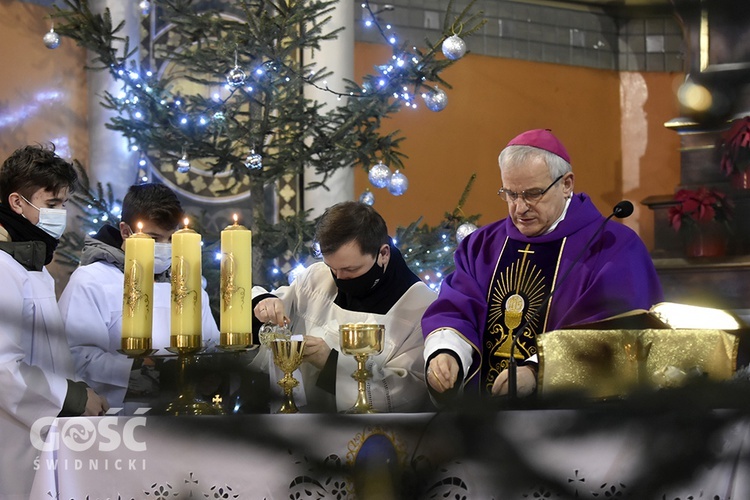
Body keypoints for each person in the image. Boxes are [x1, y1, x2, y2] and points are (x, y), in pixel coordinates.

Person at [422, 129, 664, 399]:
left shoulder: (612, 247)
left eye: (533, 194)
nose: (519, 208)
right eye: (510, 194)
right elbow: (456, 308)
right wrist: (447, 353)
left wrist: (540, 371)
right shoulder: (481, 246)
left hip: (571, 421)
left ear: (567, 184)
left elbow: (614, 333)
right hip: (485, 424)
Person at [0, 144, 109, 498]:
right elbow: (3, 367)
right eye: (52, 205)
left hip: (45, 433)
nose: (61, 214)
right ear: (17, 203)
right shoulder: (3, 267)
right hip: (13, 438)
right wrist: (72, 397)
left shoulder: (31, 266)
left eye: (63, 204)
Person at [252, 201, 436, 412]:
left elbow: (407, 392)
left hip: (370, 438)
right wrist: (264, 305)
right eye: (332, 268)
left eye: (350, 269)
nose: (340, 279)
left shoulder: (421, 307)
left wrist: (331, 364)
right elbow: (272, 307)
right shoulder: (317, 276)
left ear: (383, 254)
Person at [58, 183, 220, 409]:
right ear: (126, 231)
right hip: (118, 422)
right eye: (154, 238)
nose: (164, 248)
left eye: (171, 239)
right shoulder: (92, 280)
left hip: (184, 420)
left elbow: (211, 345)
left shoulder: (188, 285)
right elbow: (74, 357)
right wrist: (149, 372)